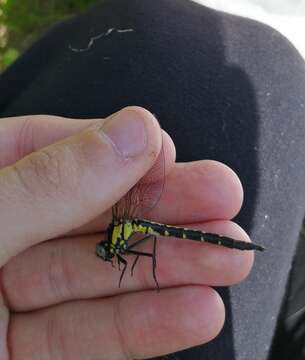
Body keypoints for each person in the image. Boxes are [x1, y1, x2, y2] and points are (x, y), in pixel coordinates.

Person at [0, 0, 305, 359]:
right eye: (105, 251)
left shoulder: (119, 233)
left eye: (104, 249)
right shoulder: (120, 237)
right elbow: (130, 256)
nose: (105, 253)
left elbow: (131, 256)